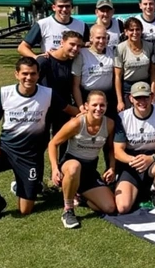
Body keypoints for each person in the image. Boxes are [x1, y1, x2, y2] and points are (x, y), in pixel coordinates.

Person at [0, 57, 78, 222]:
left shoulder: (48, 94)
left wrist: (89, 114)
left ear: (38, 75)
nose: (28, 78)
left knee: (24, 210)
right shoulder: (4, 93)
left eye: (33, 74)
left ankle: (30, 184)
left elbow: (68, 109)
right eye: (24, 73)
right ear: (16, 74)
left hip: (30, 157)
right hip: (5, 149)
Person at [48, 91, 116, 228]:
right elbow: (53, 143)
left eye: (102, 105)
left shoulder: (109, 124)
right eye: (94, 105)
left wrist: (112, 167)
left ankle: (81, 196)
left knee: (110, 208)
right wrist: (55, 168)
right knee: (74, 167)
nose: (98, 108)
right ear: (86, 106)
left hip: (90, 170)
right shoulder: (77, 123)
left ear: (107, 106)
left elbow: (111, 149)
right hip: (70, 164)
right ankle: (68, 210)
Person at [114, 82, 155, 213]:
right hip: (131, 163)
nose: (142, 101)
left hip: (153, 161)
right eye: (138, 98)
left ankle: (154, 190)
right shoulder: (123, 117)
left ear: (152, 96)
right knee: (123, 207)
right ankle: (138, 188)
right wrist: (134, 160)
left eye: (145, 97)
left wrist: (151, 158)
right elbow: (118, 151)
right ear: (131, 98)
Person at [36, 30, 84, 160]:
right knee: (39, 144)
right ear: (62, 42)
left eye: (79, 46)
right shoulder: (44, 61)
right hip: (43, 109)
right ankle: (32, 177)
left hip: (64, 110)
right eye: (72, 44)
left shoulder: (72, 62)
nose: (75, 49)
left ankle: (61, 175)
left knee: (64, 143)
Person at [17, 0, 88, 57]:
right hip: (51, 67)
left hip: (76, 67)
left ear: (72, 7)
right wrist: (36, 58)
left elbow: (87, 46)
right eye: (60, 6)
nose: (64, 9)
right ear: (54, 7)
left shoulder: (81, 25)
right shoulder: (43, 24)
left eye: (67, 6)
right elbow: (22, 47)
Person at [72, 24, 115, 116]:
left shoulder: (112, 52)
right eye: (98, 38)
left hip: (108, 97)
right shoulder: (82, 54)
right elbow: (75, 85)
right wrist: (80, 106)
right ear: (91, 38)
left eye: (104, 38)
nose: (101, 41)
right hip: (87, 96)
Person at [114, 17, 155, 112]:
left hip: (145, 85)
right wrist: (120, 101)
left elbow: (153, 72)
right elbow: (117, 76)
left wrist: (153, 94)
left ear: (141, 30)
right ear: (126, 32)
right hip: (128, 88)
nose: (135, 32)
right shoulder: (120, 48)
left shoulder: (149, 46)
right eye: (131, 30)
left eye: (137, 29)